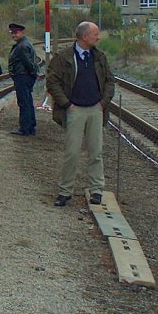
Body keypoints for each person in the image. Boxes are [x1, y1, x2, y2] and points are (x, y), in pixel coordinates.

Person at [46, 21, 115, 207]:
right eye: (95, 34)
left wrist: (103, 103)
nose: (98, 37)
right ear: (85, 37)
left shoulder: (99, 57)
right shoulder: (63, 58)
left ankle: (96, 190)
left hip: (95, 109)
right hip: (74, 110)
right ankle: (65, 191)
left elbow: (110, 81)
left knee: (96, 152)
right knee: (71, 153)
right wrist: (67, 104)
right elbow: (52, 82)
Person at [7, 23, 39, 135]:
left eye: (15, 33)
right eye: (12, 33)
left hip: (22, 76)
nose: (13, 35)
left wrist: (31, 74)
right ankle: (30, 126)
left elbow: (28, 63)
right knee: (28, 101)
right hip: (24, 76)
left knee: (24, 102)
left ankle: (25, 128)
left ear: (22, 32)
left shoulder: (22, 46)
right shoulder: (24, 44)